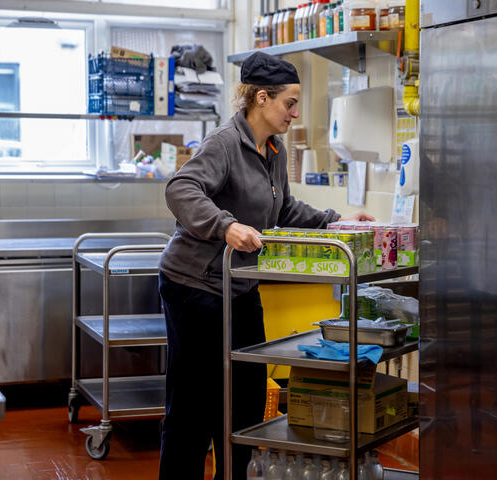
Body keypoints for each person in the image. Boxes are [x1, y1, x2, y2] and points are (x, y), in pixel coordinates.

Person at [158, 51, 373, 479]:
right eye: (289, 103)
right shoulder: (224, 143)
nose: (295, 112)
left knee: (246, 401)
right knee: (195, 406)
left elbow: (285, 209)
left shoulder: (272, 149)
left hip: (238, 286)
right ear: (261, 98)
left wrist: (336, 221)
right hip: (195, 288)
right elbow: (180, 189)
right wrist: (226, 226)